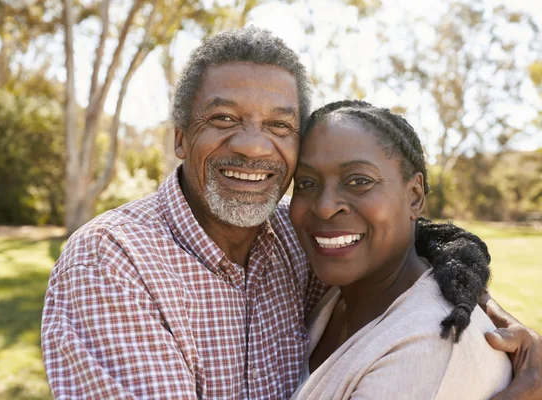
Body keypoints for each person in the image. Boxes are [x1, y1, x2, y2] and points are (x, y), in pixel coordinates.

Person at [41, 27, 542, 399]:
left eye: (279, 126)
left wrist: (478, 304)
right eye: (223, 119)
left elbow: (396, 247)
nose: (254, 147)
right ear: (179, 138)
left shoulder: (293, 236)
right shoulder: (112, 262)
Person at [289, 100, 511, 399]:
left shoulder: (429, 345)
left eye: (359, 181)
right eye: (305, 183)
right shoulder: (334, 297)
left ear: (415, 196)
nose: (326, 206)